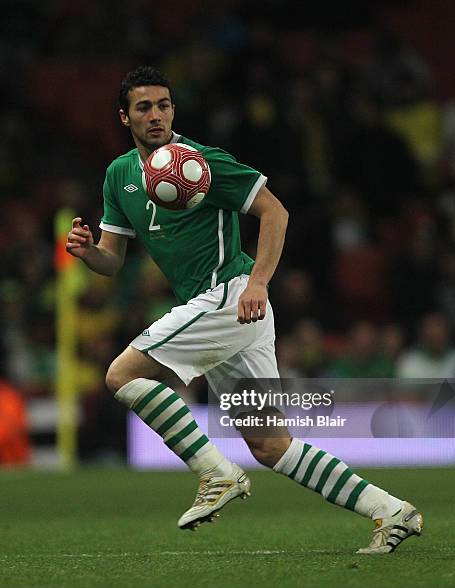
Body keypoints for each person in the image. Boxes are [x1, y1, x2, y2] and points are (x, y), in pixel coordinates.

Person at [66, 66, 423, 553]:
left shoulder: (204, 164)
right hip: (224, 309)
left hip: (230, 296)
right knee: (271, 445)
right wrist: (89, 254)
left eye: (164, 105)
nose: (156, 115)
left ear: (174, 109)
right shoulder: (119, 175)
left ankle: (216, 474)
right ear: (124, 116)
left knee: (121, 375)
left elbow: (275, 212)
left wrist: (258, 282)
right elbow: (113, 260)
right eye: (144, 107)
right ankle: (390, 510)